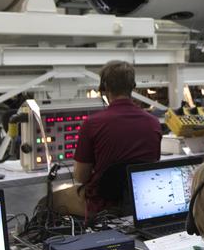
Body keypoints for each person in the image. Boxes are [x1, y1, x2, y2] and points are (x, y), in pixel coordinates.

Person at [56, 60, 162, 220]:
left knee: (50, 201)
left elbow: (80, 177)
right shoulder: (153, 122)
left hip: (102, 204)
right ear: (133, 86)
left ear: (103, 88)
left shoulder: (92, 123)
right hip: (141, 201)